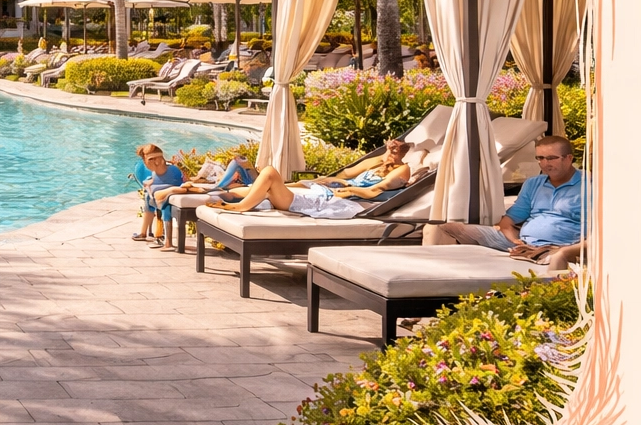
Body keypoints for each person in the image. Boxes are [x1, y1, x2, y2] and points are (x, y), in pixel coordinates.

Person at [425, 135, 586, 258]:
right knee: (447, 227)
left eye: (551, 158)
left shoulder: (589, 186)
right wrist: (516, 241)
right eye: (540, 158)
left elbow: (595, 234)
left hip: (556, 248)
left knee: (546, 253)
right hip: (518, 242)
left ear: (569, 158)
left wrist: (557, 249)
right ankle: (443, 273)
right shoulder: (534, 183)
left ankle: (535, 255)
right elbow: (507, 222)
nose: (545, 163)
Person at [207, 139, 415, 219]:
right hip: (328, 189)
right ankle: (205, 193)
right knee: (251, 190)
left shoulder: (403, 169)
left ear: (402, 155)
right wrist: (330, 179)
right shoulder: (381, 161)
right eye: (389, 150)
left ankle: (241, 207)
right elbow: (345, 174)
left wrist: (350, 190)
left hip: (338, 199)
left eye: (394, 153)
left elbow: (374, 191)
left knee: (269, 173)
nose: (389, 155)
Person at [131, 145, 184, 248]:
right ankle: (144, 232)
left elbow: (177, 182)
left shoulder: (173, 170)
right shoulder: (155, 173)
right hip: (159, 198)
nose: (157, 162)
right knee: (148, 198)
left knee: (158, 203)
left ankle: (146, 233)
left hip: (166, 198)